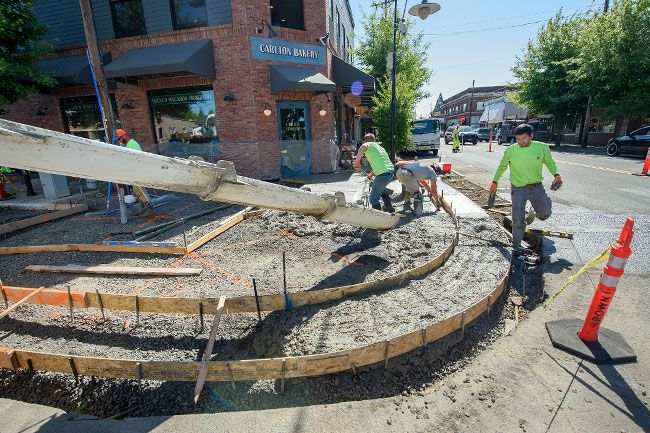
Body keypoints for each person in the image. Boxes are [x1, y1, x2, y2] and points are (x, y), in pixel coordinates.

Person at [489, 123, 563, 253]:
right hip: (518, 188)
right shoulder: (511, 150)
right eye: (518, 139)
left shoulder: (542, 148)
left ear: (531, 136)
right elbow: (502, 167)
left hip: (536, 186)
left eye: (524, 138)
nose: (520, 142)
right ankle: (516, 245)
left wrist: (556, 175)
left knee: (545, 212)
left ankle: (535, 210)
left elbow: (550, 162)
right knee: (517, 218)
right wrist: (495, 182)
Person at [115, 129, 154, 217]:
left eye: (120, 139)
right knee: (137, 190)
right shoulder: (130, 144)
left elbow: (135, 160)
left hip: (138, 171)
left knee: (140, 190)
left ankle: (149, 210)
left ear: (124, 136)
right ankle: (144, 209)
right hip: (136, 171)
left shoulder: (131, 145)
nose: (120, 141)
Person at [353, 133, 395, 212]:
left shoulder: (367, 144)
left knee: (373, 198)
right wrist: (371, 174)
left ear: (364, 141)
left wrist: (357, 162)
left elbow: (363, 147)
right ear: (375, 140)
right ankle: (388, 207)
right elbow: (380, 164)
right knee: (381, 189)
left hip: (383, 174)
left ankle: (378, 216)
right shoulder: (380, 148)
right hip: (390, 172)